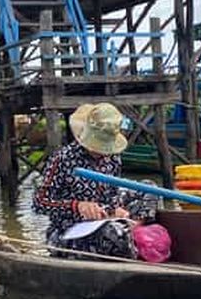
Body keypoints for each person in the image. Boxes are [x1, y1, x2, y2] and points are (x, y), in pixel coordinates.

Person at [32, 102, 157, 258]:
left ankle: (133, 229)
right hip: (69, 230)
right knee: (114, 234)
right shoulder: (62, 159)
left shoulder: (113, 158)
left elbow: (111, 195)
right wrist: (77, 206)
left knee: (149, 188)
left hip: (104, 219)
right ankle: (128, 240)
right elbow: (39, 202)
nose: (101, 152)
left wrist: (115, 210)